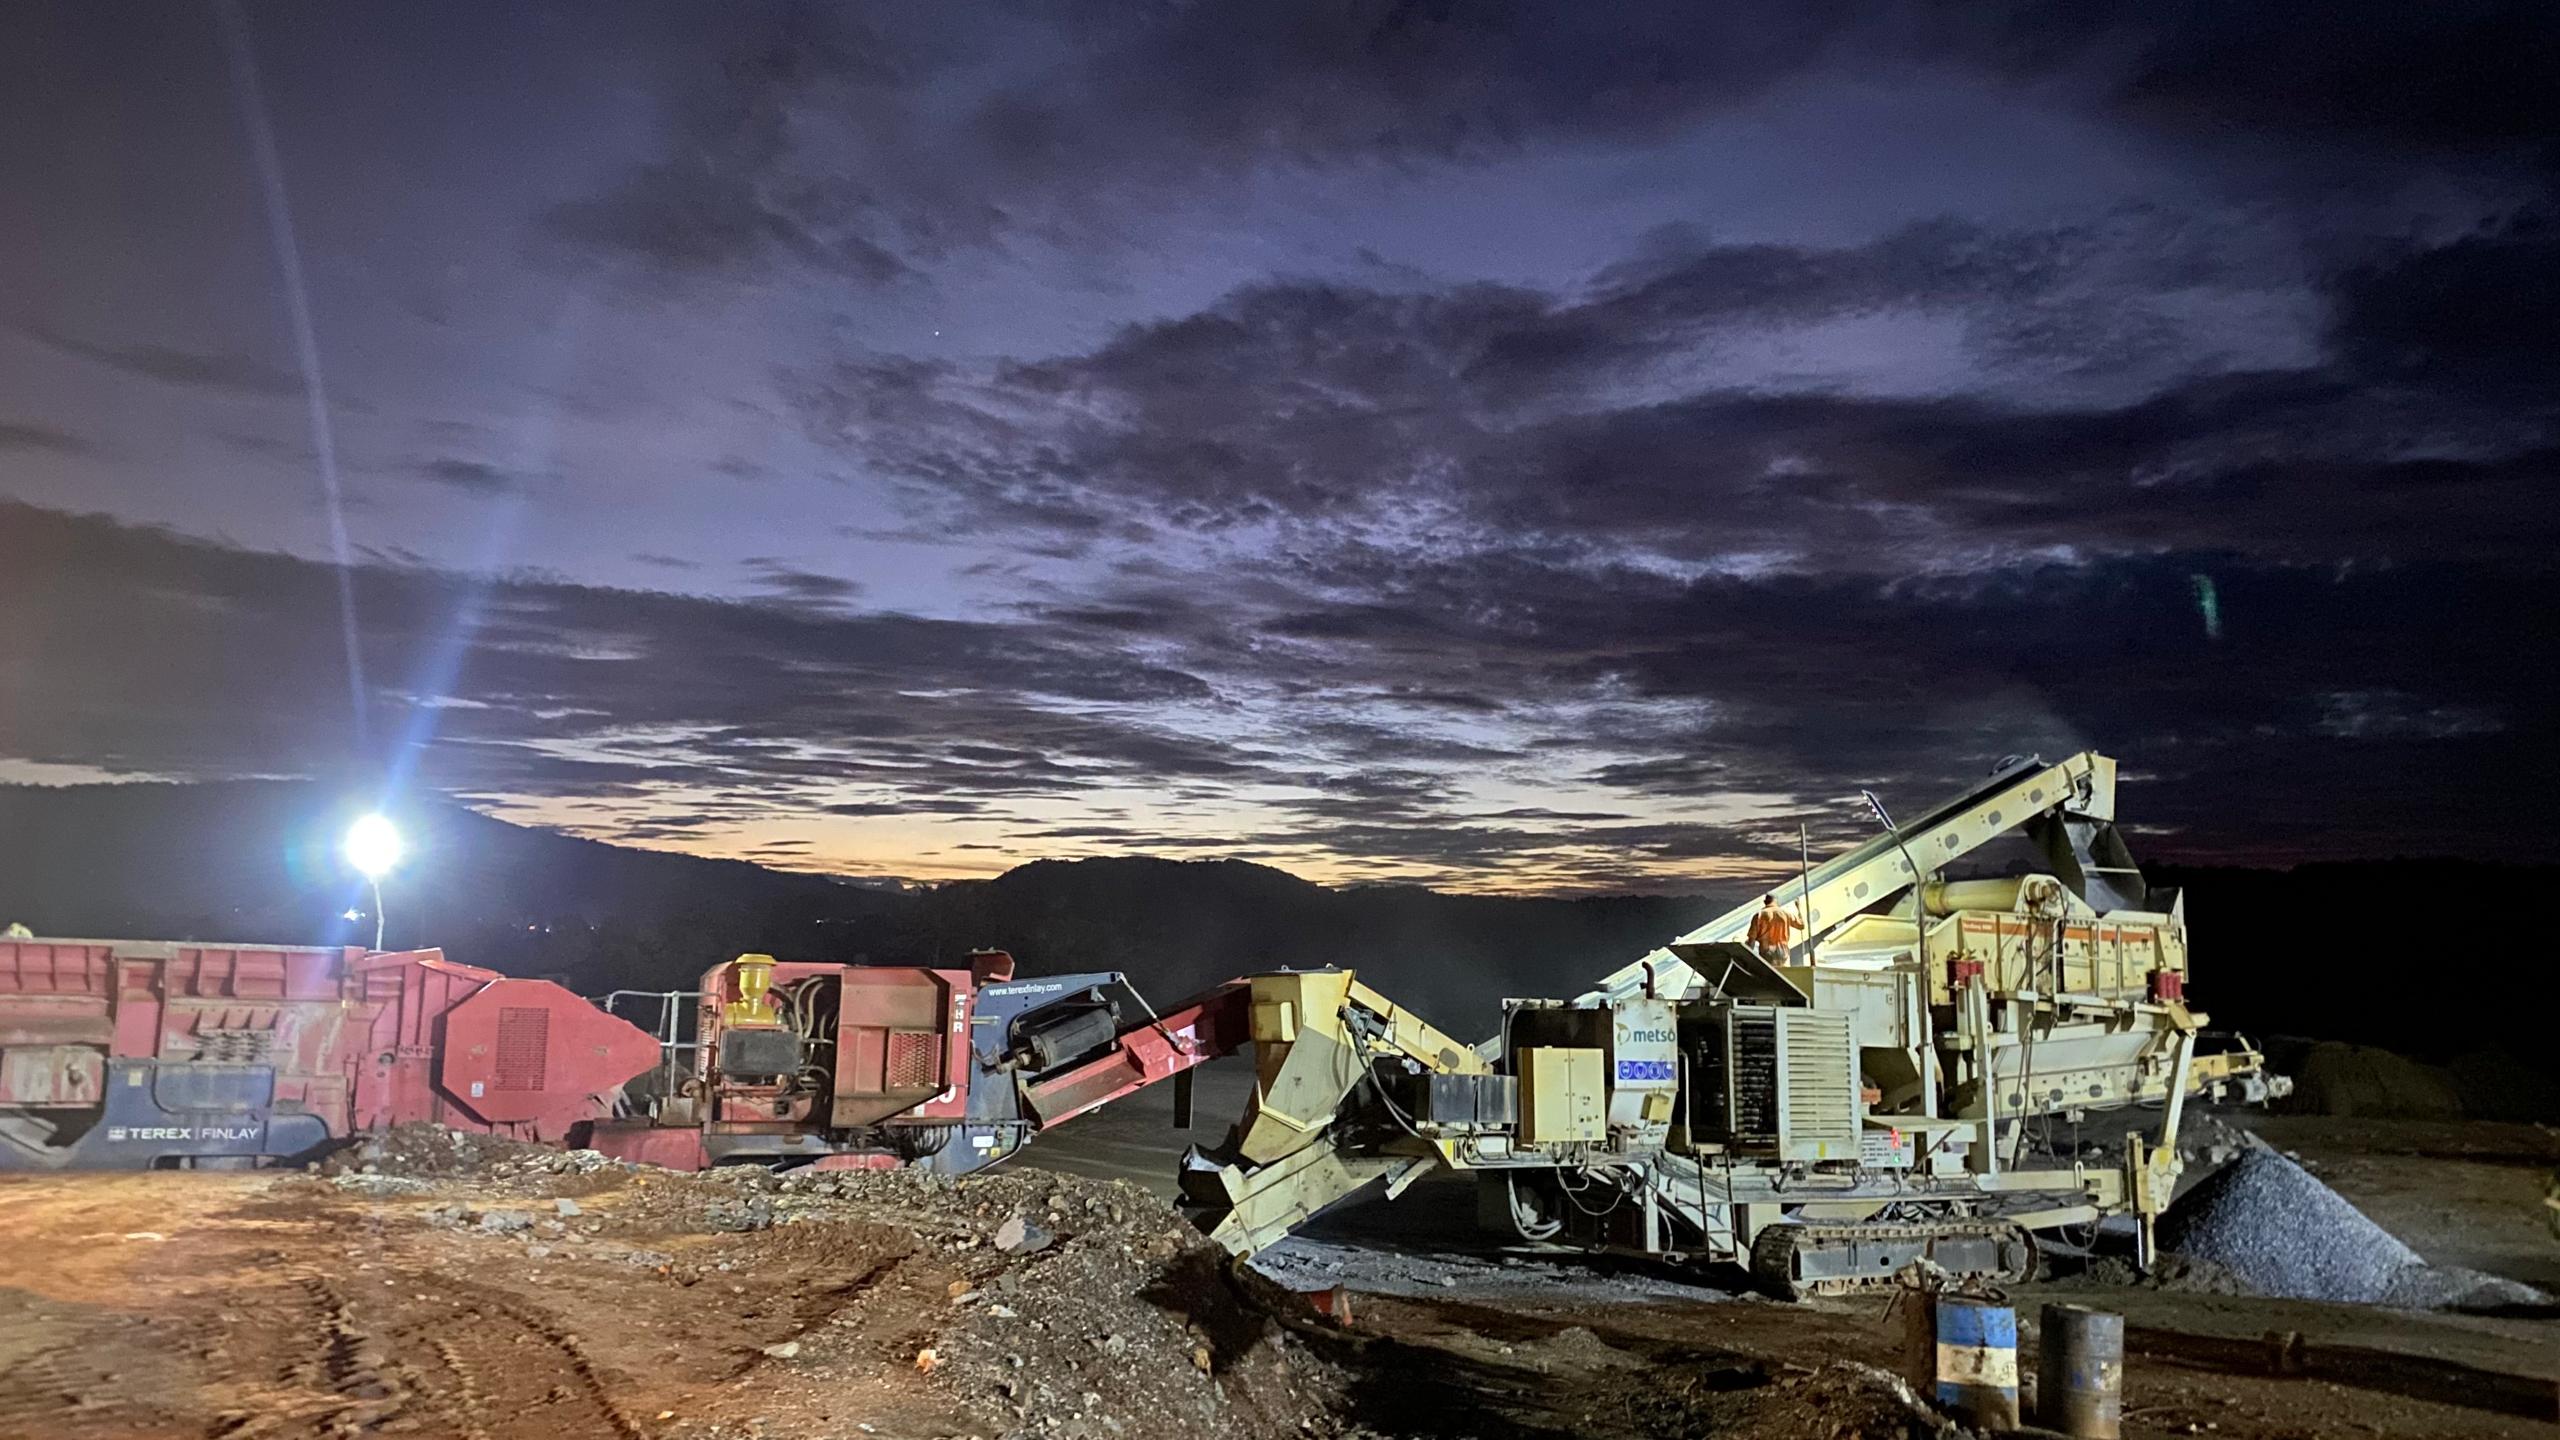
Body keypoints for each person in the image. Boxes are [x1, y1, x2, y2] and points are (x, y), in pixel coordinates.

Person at [1746, 893, 1801, 962]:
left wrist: (1746, 956)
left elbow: (1751, 939)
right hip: (1783, 951)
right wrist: (1799, 909)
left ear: (1765, 902)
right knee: (1782, 971)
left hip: (1766, 951)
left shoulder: (1759, 915)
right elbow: (1801, 925)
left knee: (1768, 972)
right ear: (1776, 902)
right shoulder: (1786, 914)